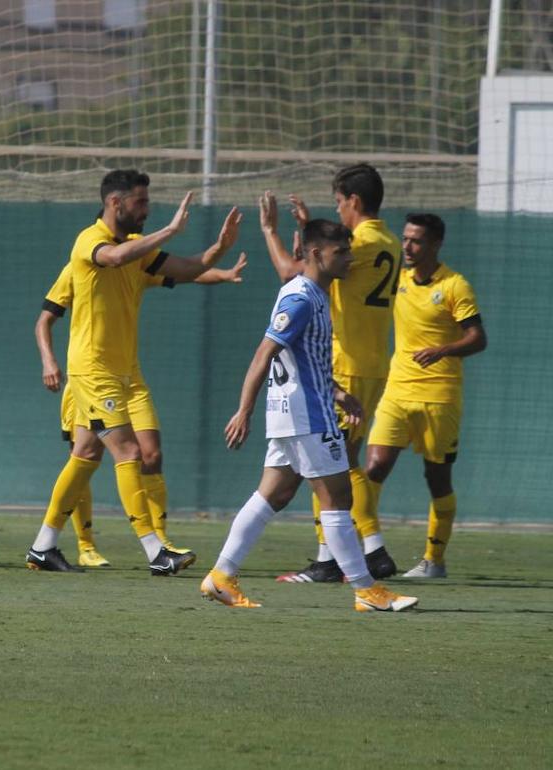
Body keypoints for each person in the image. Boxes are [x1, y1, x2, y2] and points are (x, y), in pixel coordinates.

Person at [24, 169, 241, 574]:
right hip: (93, 370)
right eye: (140, 202)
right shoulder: (90, 241)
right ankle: (156, 552)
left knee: (86, 454)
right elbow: (114, 257)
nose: (146, 209)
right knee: (129, 452)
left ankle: (42, 546)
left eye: (147, 202)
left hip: (123, 372)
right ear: (114, 203)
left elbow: (188, 268)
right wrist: (171, 230)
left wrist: (219, 248)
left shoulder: (138, 250)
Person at [199, 218, 417, 612]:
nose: (349, 259)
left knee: (275, 494)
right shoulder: (301, 298)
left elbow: (303, 358)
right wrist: (244, 410)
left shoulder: (313, 294)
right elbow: (264, 353)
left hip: (296, 412)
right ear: (316, 253)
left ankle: (221, 577)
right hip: (307, 416)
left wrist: (339, 392)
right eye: (341, 252)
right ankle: (366, 590)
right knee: (338, 497)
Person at [261, 163, 404, 583]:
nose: (338, 210)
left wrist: (270, 230)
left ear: (354, 201)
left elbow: (290, 273)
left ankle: (359, 552)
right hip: (372, 363)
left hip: (345, 362)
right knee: (338, 460)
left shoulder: (360, 242)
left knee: (329, 461)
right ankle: (346, 553)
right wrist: (310, 229)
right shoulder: (389, 241)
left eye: (339, 202)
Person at [364, 213, 486, 578]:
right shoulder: (397, 281)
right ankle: (367, 548)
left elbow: (478, 338)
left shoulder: (454, 285)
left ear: (435, 244)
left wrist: (442, 350)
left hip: (440, 395)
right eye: (405, 239)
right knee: (373, 468)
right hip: (397, 391)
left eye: (416, 241)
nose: (408, 246)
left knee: (437, 478)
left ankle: (434, 560)